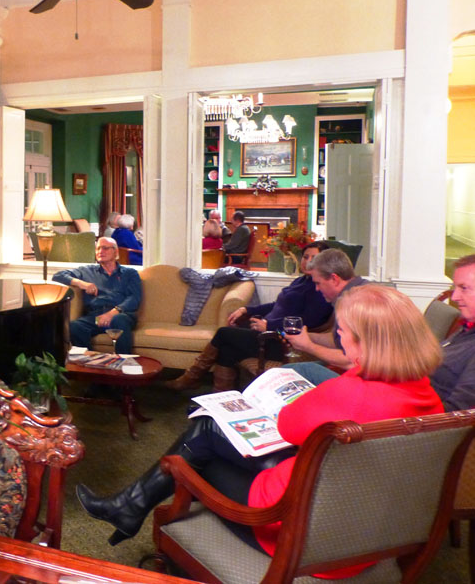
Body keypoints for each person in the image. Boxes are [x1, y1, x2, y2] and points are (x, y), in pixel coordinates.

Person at [76, 285, 443, 579]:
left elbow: (288, 425)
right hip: (367, 532)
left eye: (342, 332)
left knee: (196, 448)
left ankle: (131, 507)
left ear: (365, 343)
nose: (339, 339)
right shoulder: (428, 398)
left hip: (293, 531)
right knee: (207, 435)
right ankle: (129, 506)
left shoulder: (349, 393)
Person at [291, 253, 475, 412]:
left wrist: (390, 405)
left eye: (464, 288)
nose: (455, 297)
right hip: (394, 390)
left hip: (402, 413)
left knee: (303, 372)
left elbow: (457, 414)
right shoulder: (466, 329)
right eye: (455, 288)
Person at [165, 241, 333, 392]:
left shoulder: (320, 288)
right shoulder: (301, 281)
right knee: (227, 346)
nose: (307, 261)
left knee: (224, 333)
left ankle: (191, 378)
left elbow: (309, 321)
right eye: (305, 256)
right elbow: (276, 305)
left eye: (314, 258)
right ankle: (221, 395)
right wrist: (247, 309)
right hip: (267, 332)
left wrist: (269, 326)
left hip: (283, 342)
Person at [52, 236, 142, 354]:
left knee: (119, 320)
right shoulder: (87, 271)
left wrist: (112, 313)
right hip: (96, 318)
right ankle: (91, 363)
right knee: (74, 326)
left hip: (120, 315)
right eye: (98, 248)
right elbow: (58, 276)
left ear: (116, 252)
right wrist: (81, 283)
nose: (100, 251)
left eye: (105, 248)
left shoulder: (130, 273)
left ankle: (123, 363)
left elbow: (134, 298)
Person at [282, 248, 368, 370]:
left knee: (288, 372)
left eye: (318, 283)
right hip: (357, 368)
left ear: (334, 279)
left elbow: (352, 360)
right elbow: (337, 340)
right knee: (289, 369)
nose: (317, 289)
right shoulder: (353, 291)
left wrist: (308, 346)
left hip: (369, 376)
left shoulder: (356, 302)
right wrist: (306, 336)